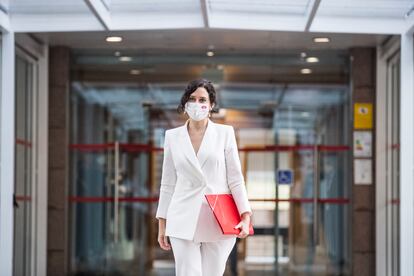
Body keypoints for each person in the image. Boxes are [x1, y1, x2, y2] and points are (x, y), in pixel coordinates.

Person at [155, 78, 252, 276]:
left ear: (211, 105)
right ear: (185, 103)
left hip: (217, 218)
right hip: (182, 217)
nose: (197, 104)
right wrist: (162, 223)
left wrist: (245, 215)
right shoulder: (172, 137)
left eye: (202, 100)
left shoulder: (225, 134)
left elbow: (235, 178)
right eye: (192, 99)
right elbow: (167, 183)